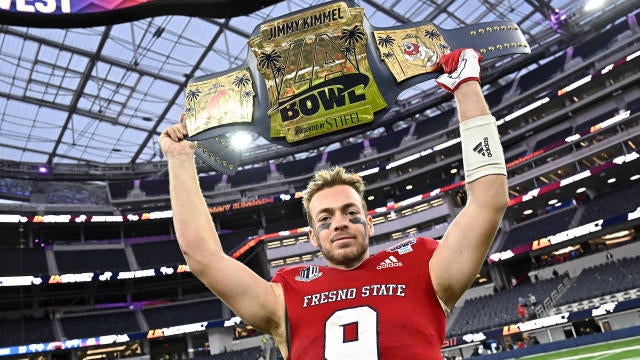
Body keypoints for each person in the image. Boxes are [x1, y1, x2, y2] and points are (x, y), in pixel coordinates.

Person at [159, 48, 508, 359]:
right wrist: (179, 159)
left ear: (370, 223)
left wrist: (467, 87)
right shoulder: (286, 295)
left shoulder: (423, 268)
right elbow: (202, 257)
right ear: (313, 236)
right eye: (325, 217)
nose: (339, 222)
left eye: (351, 212)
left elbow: (489, 202)